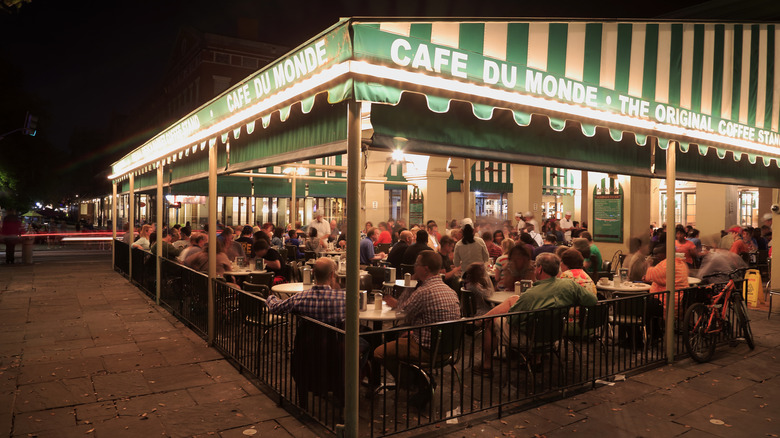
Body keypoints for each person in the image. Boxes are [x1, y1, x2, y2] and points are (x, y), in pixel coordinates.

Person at [474, 253, 597, 375]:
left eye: (535, 266)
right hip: (555, 336)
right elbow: (592, 300)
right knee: (528, 310)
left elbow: (514, 320)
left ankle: (486, 365)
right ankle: (536, 361)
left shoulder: (530, 295)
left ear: (540, 269)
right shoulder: (570, 285)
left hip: (530, 339)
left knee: (492, 322)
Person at [373, 251, 461, 407]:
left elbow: (402, 311)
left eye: (417, 264)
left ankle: (417, 383)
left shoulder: (423, 292)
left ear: (425, 269)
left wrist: (410, 284)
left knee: (379, 352)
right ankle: (417, 381)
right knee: (402, 336)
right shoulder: (450, 291)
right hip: (448, 348)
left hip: (427, 348)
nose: (414, 267)